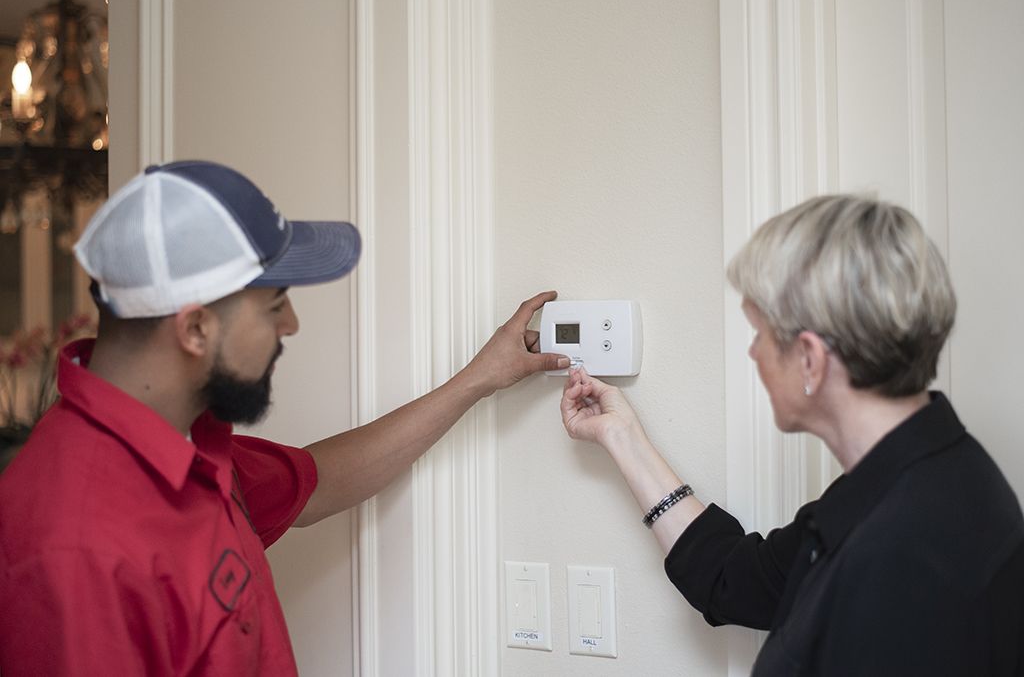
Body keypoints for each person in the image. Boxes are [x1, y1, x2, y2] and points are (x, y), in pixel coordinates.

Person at [0, 160, 569, 676]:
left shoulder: (183, 443)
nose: (291, 324)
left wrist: (477, 380)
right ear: (195, 329)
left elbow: (319, 480)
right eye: (275, 305)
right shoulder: (73, 548)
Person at [560, 194, 1024, 675]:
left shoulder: (905, 551)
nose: (753, 353)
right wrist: (622, 435)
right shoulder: (915, 480)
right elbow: (736, 579)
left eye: (758, 332)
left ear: (810, 359)